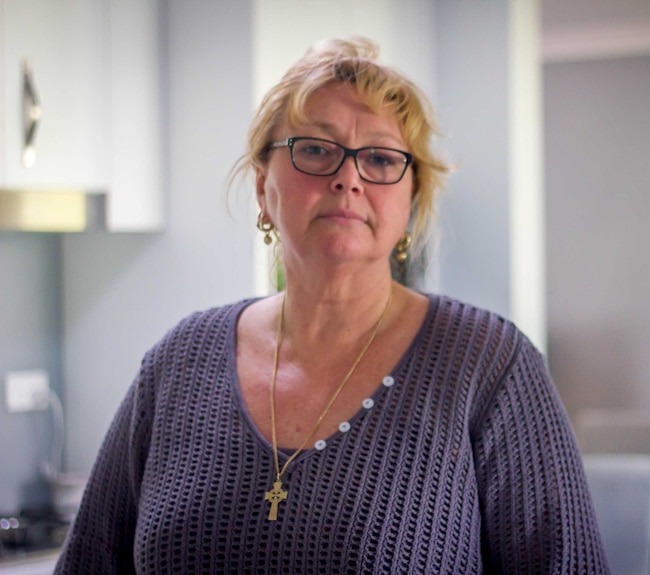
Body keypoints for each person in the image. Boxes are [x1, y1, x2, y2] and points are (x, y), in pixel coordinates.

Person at [54, 36, 609, 574]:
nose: (348, 178)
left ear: (411, 196)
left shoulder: (489, 364)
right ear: (261, 186)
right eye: (315, 150)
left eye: (381, 158)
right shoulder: (178, 363)